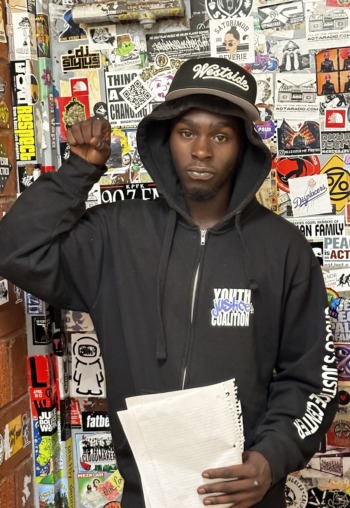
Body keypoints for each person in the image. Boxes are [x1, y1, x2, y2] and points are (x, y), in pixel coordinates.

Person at [0, 57, 338, 507]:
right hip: (148, 495)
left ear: (243, 149)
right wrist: (79, 170)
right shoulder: (115, 234)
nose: (201, 151)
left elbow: (313, 379)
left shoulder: (283, 248)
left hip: (247, 494)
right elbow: (16, 252)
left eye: (220, 136)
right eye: (187, 133)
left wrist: (269, 460)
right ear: (166, 138)